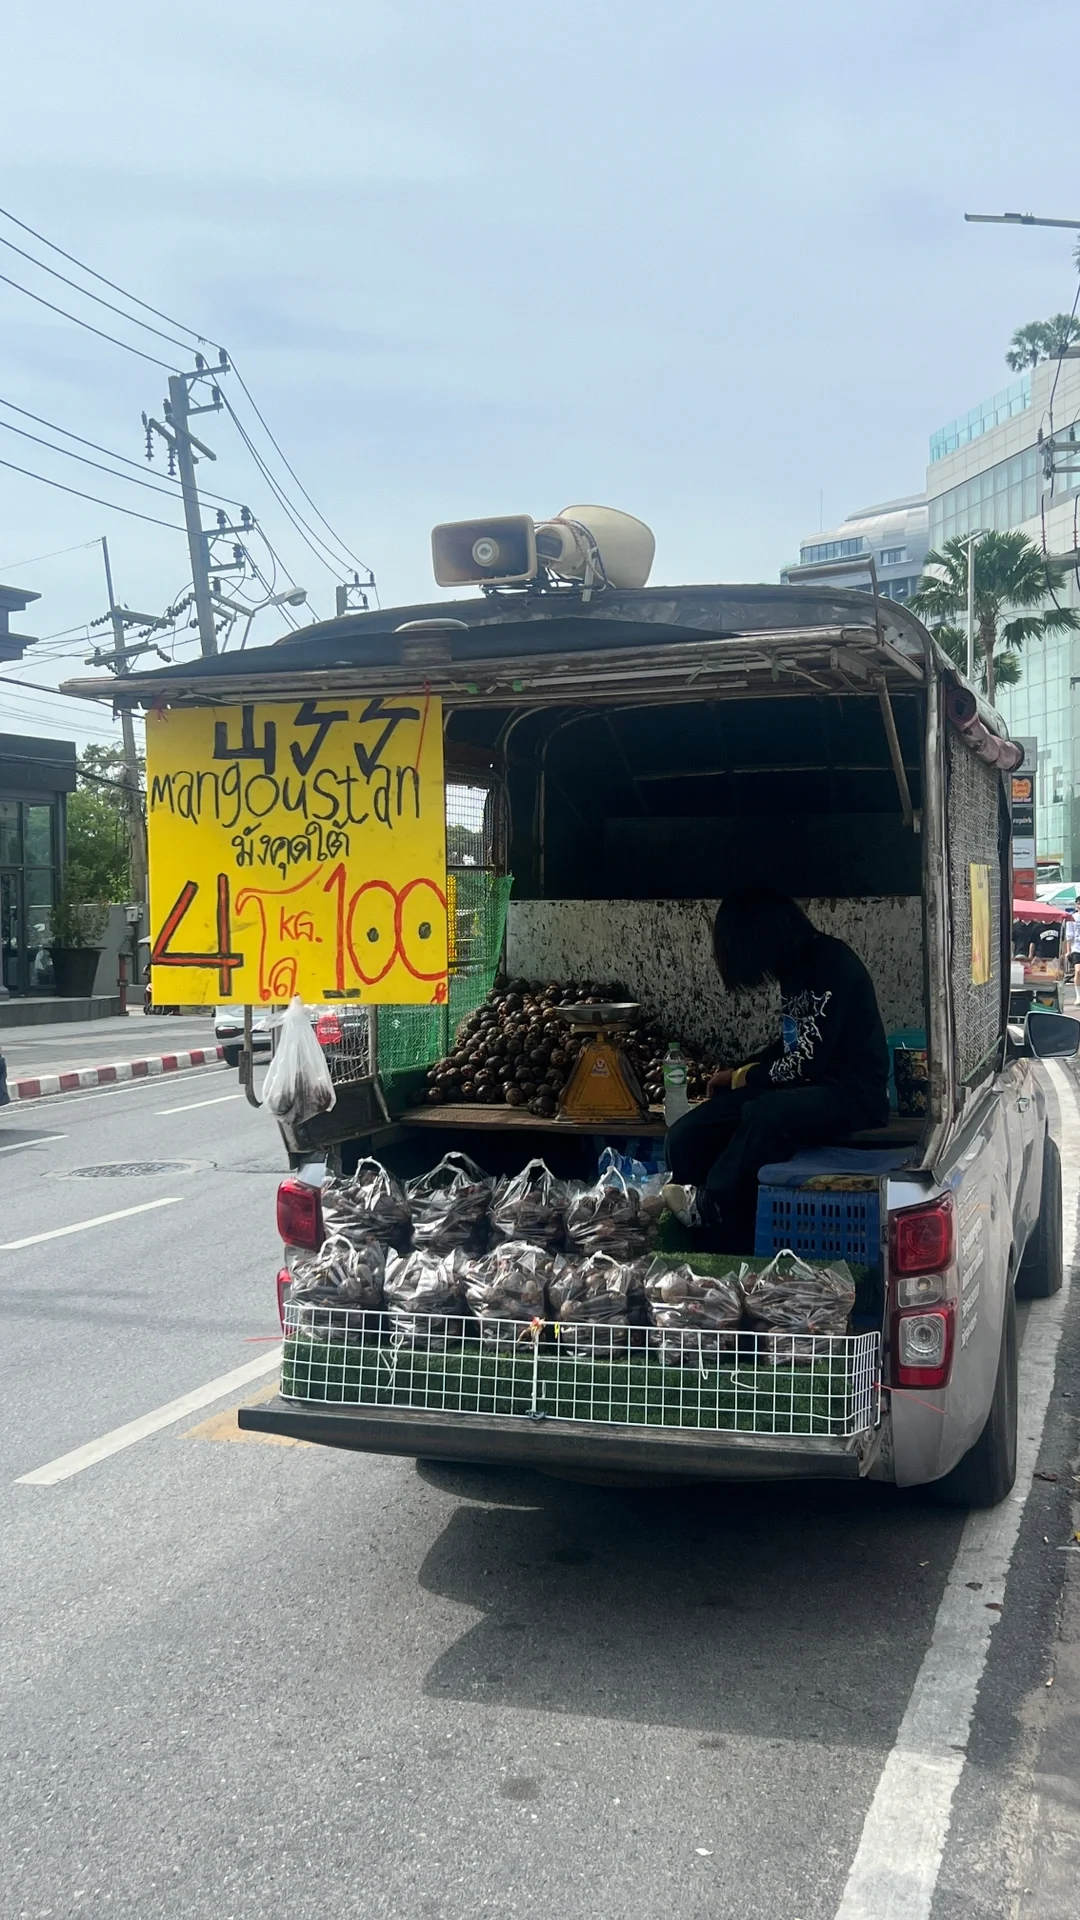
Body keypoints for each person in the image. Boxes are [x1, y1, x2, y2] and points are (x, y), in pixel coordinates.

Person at [666, 890, 890, 1250]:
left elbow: (806, 1063)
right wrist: (740, 1071)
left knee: (765, 1112)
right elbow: (790, 1045)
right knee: (687, 1134)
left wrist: (745, 1076)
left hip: (853, 1093)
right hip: (808, 1085)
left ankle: (713, 1203)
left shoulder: (831, 962)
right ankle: (702, 1237)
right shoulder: (793, 969)